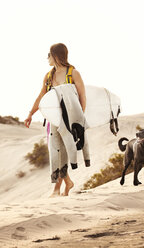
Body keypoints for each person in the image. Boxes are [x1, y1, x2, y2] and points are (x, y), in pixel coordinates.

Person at [24, 43, 87, 197]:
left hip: (69, 120)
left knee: (63, 152)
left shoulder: (73, 74)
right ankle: (65, 184)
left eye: (49, 55)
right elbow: (41, 96)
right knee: (56, 152)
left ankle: (58, 188)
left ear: (56, 55)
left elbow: (82, 96)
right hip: (53, 121)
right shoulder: (49, 76)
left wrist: (79, 119)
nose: (47, 58)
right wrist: (30, 113)